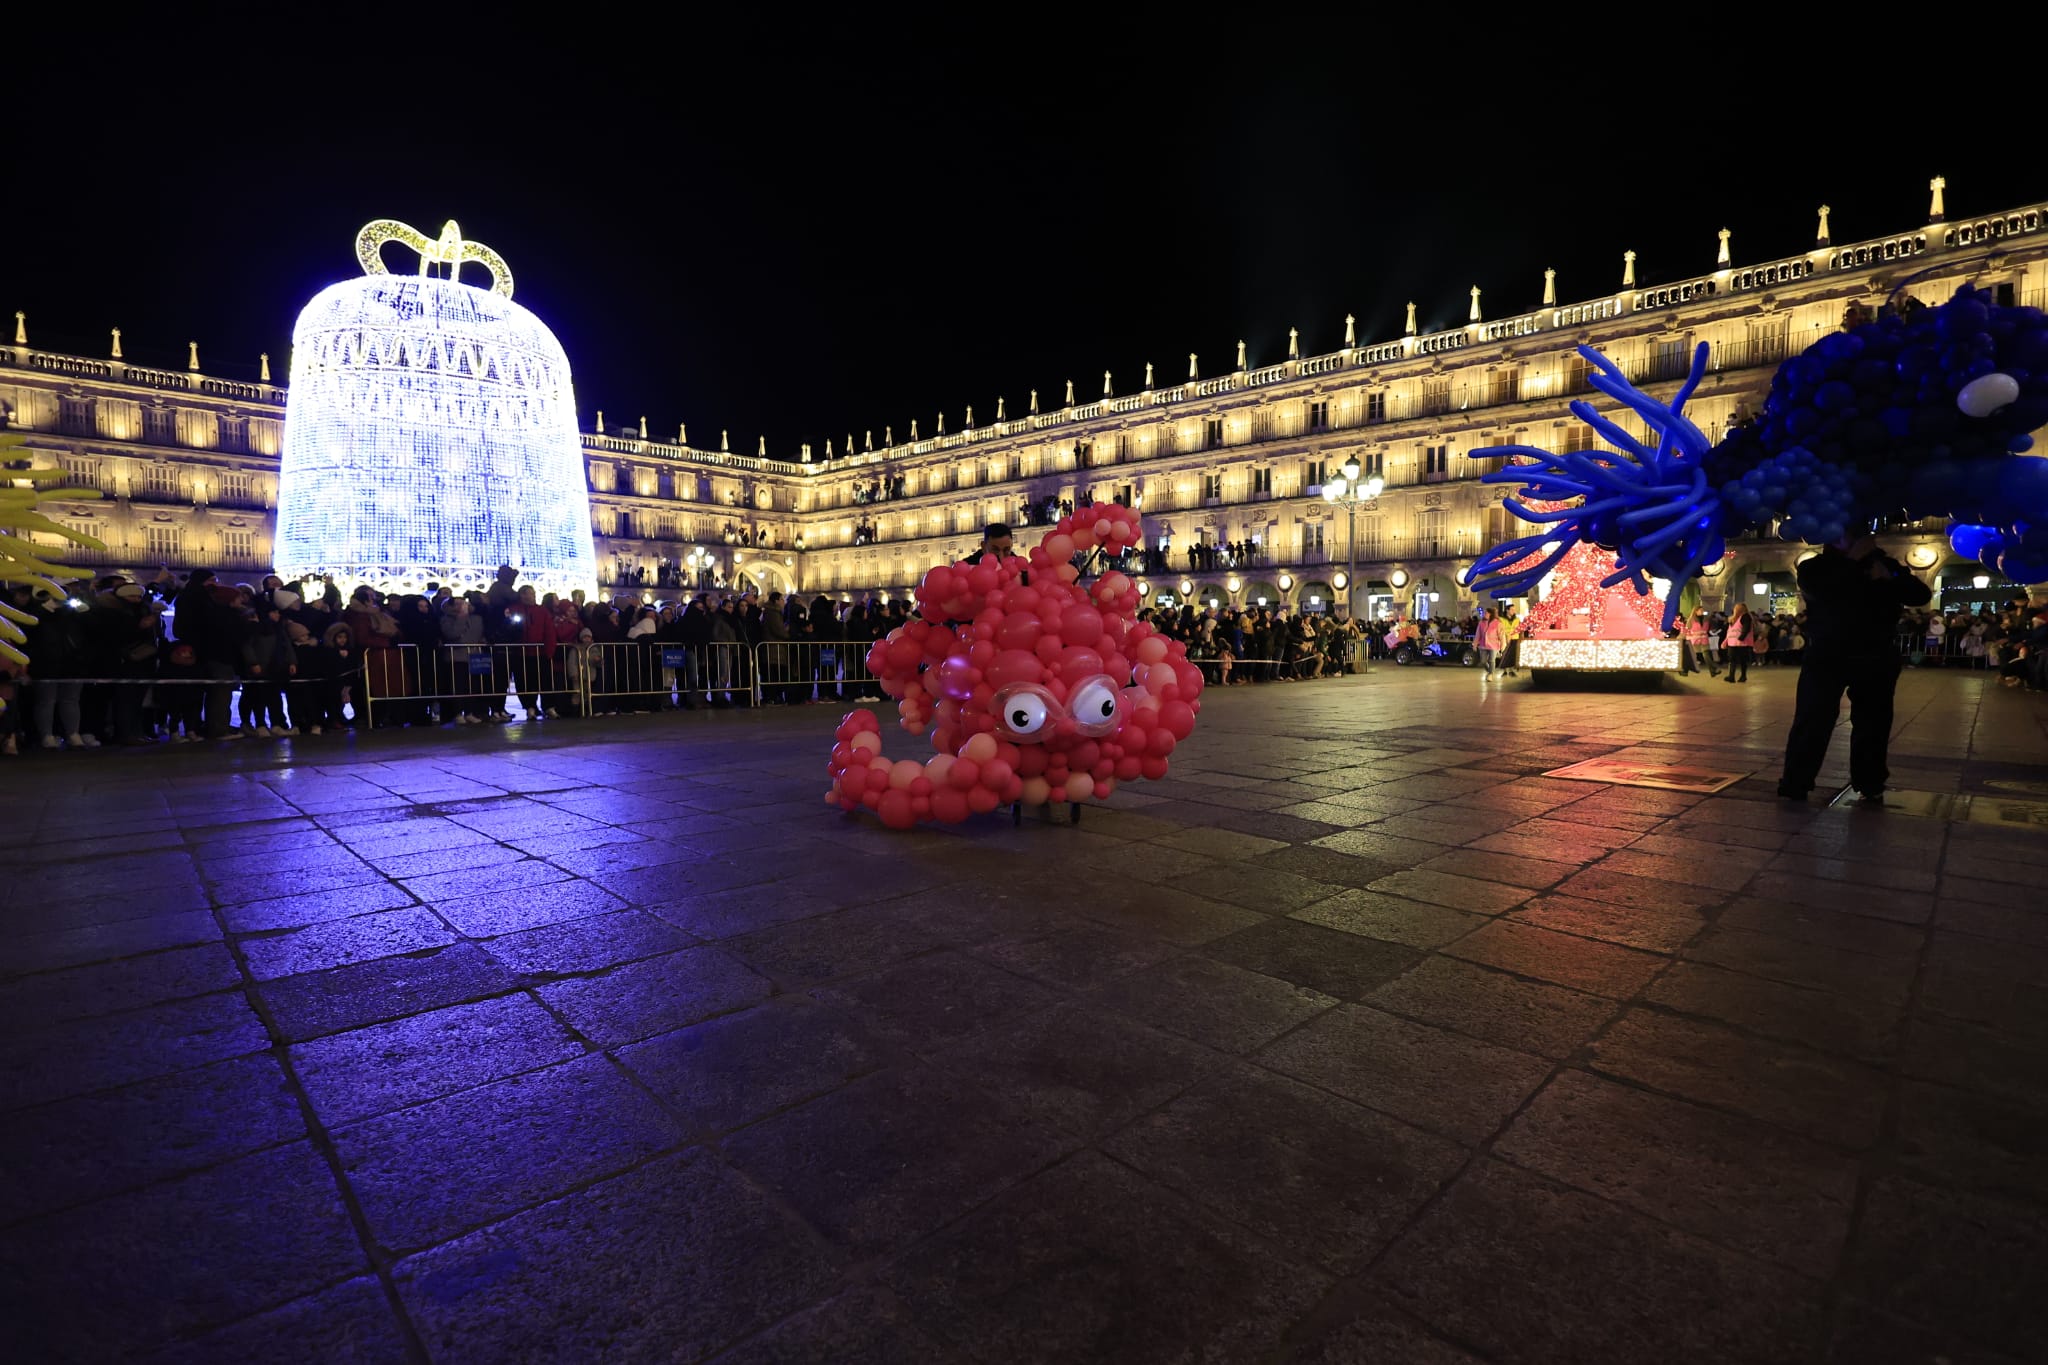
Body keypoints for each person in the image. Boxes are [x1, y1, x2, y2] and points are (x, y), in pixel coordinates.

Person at [1777, 533, 1933, 804]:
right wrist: (1853, 561)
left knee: (1873, 721)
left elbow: (1920, 594)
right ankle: (1796, 781)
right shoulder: (1815, 566)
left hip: (1875, 651)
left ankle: (1870, 781)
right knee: (1813, 717)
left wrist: (1889, 576)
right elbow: (1823, 590)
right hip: (1827, 652)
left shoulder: (1885, 564)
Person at [1722, 602, 1756, 682]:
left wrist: (1741, 638)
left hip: (1742, 643)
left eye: (1736, 608)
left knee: (1742, 660)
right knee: (1731, 659)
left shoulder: (1745, 617)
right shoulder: (1732, 619)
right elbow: (1730, 631)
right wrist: (1725, 641)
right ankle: (1731, 676)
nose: (1734, 609)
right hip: (1732, 642)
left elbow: (1746, 629)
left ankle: (1743, 676)